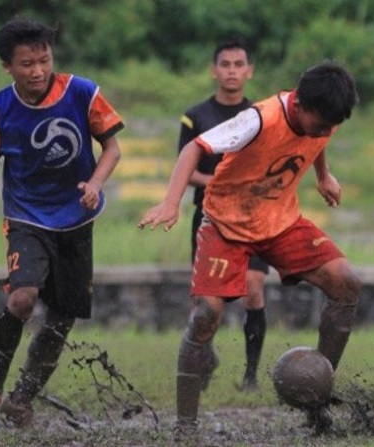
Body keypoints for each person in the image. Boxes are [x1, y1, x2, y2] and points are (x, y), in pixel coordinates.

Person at [139, 60, 361, 438]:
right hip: (226, 223)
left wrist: (323, 176)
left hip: (280, 221)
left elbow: (317, 139)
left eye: (331, 125)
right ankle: (186, 427)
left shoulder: (324, 116)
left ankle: (317, 403)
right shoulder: (258, 119)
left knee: (346, 283)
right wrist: (171, 202)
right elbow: (194, 147)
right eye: (320, 122)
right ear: (300, 104)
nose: (326, 130)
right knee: (208, 313)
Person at [0, 17, 124, 427]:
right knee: (23, 297)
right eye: (26, 63)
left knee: (64, 317)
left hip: (78, 220)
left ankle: (22, 398)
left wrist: (96, 183)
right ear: (7, 66)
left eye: (44, 60)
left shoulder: (83, 93)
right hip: (26, 218)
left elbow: (113, 148)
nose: (37, 71)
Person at [177, 37, 268, 392]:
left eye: (238, 64)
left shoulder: (259, 115)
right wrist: (220, 180)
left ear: (249, 71)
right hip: (210, 216)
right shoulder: (196, 116)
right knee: (205, 300)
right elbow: (185, 168)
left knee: (253, 286)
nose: (232, 71)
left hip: (252, 216)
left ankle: (250, 376)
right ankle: (203, 357)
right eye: (225, 65)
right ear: (214, 71)